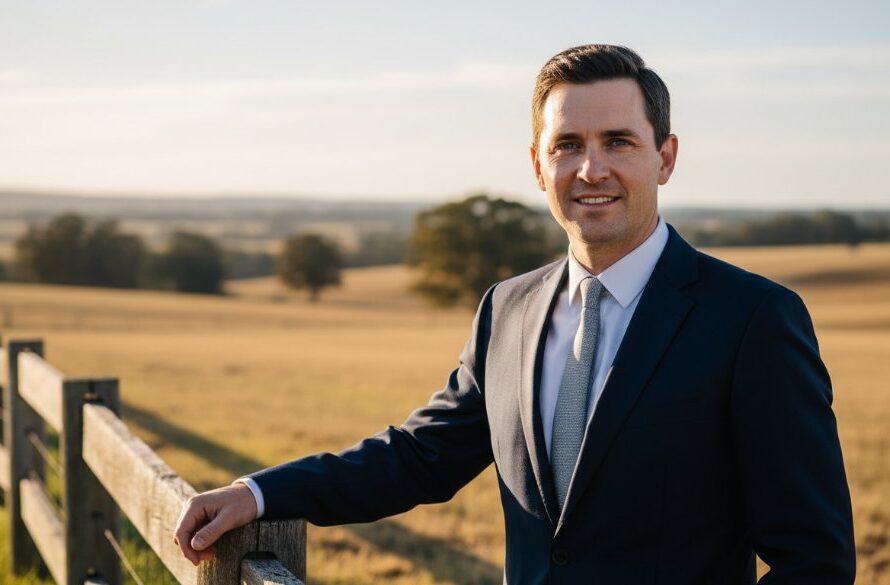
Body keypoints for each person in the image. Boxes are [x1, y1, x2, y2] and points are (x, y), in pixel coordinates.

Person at [175, 44, 855, 583]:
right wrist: (257, 494)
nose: (591, 169)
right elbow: (420, 457)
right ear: (537, 164)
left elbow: (815, 559)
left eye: (618, 141)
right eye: (568, 144)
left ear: (665, 158)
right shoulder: (509, 307)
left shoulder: (752, 318)